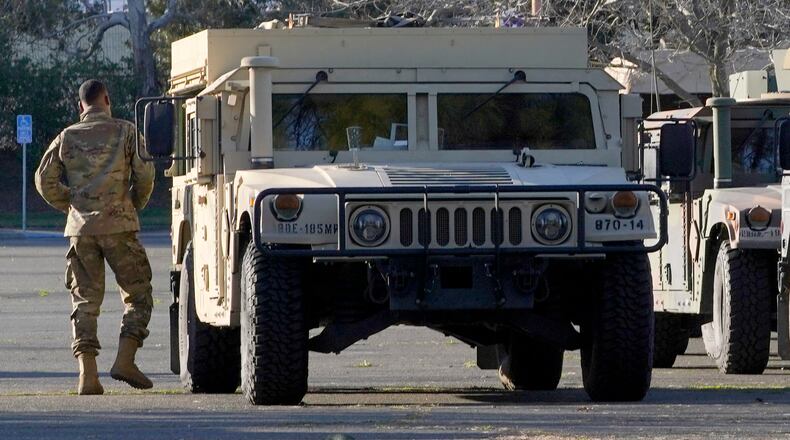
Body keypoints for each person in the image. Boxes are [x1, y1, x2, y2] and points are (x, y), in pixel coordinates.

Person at [35, 79, 156, 395]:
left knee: (85, 301)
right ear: (107, 98)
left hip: (82, 230)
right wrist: (133, 204)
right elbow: (145, 174)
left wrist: (72, 204)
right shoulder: (126, 131)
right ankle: (125, 361)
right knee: (138, 294)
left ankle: (87, 376)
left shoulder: (67, 137)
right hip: (120, 227)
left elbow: (43, 179)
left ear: (80, 107)